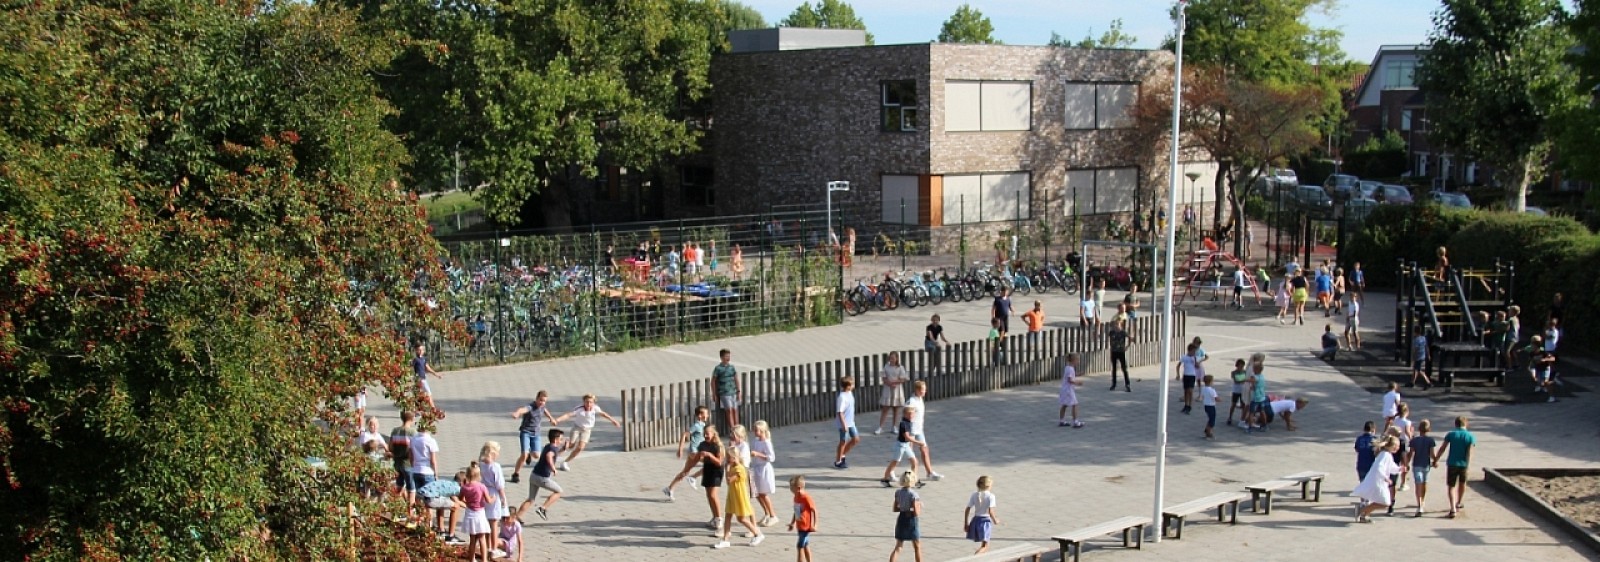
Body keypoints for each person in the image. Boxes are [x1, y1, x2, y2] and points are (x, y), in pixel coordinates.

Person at [713, 425, 764, 548]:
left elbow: (729, 480)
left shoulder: (739, 468)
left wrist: (727, 468)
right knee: (728, 515)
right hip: (732, 494)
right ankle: (725, 539)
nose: (727, 460)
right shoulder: (734, 464)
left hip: (739, 494)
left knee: (741, 518)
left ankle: (757, 533)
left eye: (729, 458)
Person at [553, 393, 621, 471]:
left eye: (590, 402)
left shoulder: (595, 408)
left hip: (587, 430)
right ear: (584, 402)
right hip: (577, 428)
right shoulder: (579, 409)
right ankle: (555, 454)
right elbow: (568, 415)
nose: (588, 404)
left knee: (580, 447)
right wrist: (557, 420)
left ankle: (565, 462)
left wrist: (613, 421)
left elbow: (604, 414)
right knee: (571, 445)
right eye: (586, 402)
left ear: (594, 402)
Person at [515, 428, 566, 523]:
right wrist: (553, 468)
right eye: (561, 439)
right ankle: (543, 508)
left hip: (534, 475)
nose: (561, 441)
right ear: (556, 439)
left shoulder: (549, 446)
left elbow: (555, 453)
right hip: (542, 478)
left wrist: (563, 449)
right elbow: (549, 456)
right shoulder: (552, 449)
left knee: (531, 499)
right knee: (559, 491)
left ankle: (517, 516)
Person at [508, 392, 558, 484]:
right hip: (526, 432)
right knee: (524, 455)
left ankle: (530, 455)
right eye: (540, 400)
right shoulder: (531, 406)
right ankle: (516, 474)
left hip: (536, 434)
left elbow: (545, 411)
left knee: (537, 455)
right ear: (536, 399)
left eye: (544, 401)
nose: (542, 402)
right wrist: (517, 413)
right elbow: (523, 409)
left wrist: (551, 418)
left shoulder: (542, 407)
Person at [664, 406, 710, 500]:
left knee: (685, 472)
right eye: (706, 413)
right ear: (700, 415)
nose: (708, 415)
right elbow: (685, 434)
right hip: (695, 452)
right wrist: (680, 449)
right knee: (711, 464)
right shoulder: (697, 425)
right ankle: (693, 477)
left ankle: (670, 489)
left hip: (694, 452)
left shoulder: (703, 425)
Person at [1354, 435, 1404, 523]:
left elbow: (1391, 467)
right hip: (1378, 481)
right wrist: (1386, 478)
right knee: (1385, 502)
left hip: (1379, 481)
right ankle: (1362, 511)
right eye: (1397, 446)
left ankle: (1363, 515)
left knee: (1384, 502)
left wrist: (1399, 469)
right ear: (1392, 445)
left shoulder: (1387, 455)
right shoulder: (1385, 455)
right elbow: (1379, 467)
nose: (1398, 448)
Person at [1434, 416, 1476, 519]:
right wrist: (1468, 464)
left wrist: (1436, 459)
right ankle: (1459, 502)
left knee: (1451, 486)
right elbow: (1470, 452)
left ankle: (1452, 509)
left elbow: (1443, 448)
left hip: (1452, 463)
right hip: (1463, 464)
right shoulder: (1470, 436)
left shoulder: (1451, 434)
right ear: (1466, 424)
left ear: (1455, 424)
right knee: (1462, 483)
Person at [902, 381, 942, 481]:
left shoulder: (920, 399)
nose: (925, 391)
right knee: (908, 453)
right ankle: (902, 473)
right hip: (911, 431)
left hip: (919, 430)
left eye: (925, 389)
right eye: (923, 390)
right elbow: (905, 415)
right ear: (917, 390)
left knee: (924, 450)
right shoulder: (911, 401)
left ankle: (929, 472)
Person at [417, 470, 466, 544]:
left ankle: (441, 531)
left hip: (420, 495)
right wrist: (470, 507)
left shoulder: (449, 484)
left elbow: (455, 499)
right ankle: (451, 537)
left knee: (443, 502)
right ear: (462, 483)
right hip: (429, 498)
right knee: (456, 507)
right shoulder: (457, 489)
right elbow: (457, 502)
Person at [693, 426, 727, 529]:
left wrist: (710, 455)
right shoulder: (702, 444)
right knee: (708, 495)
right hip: (707, 469)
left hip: (716, 471)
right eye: (705, 433)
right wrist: (698, 458)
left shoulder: (717, 446)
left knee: (713, 495)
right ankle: (714, 517)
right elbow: (699, 458)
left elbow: (719, 462)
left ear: (713, 434)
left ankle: (720, 518)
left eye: (708, 433)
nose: (706, 435)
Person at [879, 407, 923, 487]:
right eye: (909, 414)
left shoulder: (909, 422)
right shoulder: (903, 424)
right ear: (905, 414)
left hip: (906, 445)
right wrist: (918, 442)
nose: (911, 415)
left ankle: (915, 480)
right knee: (895, 462)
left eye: (912, 414)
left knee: (915, 462)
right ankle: (885, 479)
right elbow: (907, 437)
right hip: (901, 446)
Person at [459, 463, 493, 562]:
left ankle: (472, 559)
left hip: (470, 513)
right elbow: (488, 501)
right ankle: (484, 559)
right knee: (482, 537)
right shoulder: (481, 486)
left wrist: (467, 502)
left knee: (472, 539)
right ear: (478, 475)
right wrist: (493, 498)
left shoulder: (464, 487)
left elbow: (460, 498)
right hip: (480, 513)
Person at [749, 420, 780, 527]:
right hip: (756, 468)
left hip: (764, 469)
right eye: (754, 429)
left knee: (763, 493)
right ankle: (766, 513)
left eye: (756, 430)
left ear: (762, 431)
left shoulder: (766, 442)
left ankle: (773, 515)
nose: (754, 431)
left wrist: (758, 454)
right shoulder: (755, 441)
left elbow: (771, 457)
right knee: (756, 492)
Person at [477, 442, 509, 542]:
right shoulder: (495, 466)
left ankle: (487, 544)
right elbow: (499, 484)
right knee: (494, 522)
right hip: (493, 493)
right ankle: (494, 546)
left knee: (486, 520)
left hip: (483, 492)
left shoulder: (481, 465)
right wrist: (503, 498)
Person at [889, 471, 924, 562]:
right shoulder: (913, 495)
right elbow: (916, 512)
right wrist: (919, 506)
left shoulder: (898, 492)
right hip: (911, 520)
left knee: (898, 546)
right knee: (917, 545)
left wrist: (903, 508)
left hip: (901, 518)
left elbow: (895, 508)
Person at [963, 476, 1001, 555]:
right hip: (985, 522)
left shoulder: (974, 494)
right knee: (985, 546)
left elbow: (967, 509)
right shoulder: (991, 496)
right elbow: (990, 511)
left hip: (975, 521)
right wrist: (995, 520)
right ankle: (974, 558)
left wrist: (966, 523)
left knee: (983, 546)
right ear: (988, 486)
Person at [875, 352, 909, 435]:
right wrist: (889, 383)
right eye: (890, 358)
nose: (892, 359)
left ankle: (894, 427)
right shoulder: (886, 366)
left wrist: (895, 382)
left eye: (893, 358)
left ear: (897, 358)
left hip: (897, 389)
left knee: (896, 409)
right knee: (885, 409)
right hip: (888, 389)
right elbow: (883, 377)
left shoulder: (900, 367)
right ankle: (880, 427)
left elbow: (904, 379)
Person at [409, 424, 442, 507]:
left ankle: (419, 516)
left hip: (416, 470)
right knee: (429, 500)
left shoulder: (413, 439)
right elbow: (433, 460)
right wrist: (436, 474)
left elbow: (411, 457)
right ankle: (428, 518)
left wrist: (413, 467)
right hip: (428, 471)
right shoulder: (431, 441)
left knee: (418, 497)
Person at [389, 411, 418, 503]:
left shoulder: (395, 431)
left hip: (397, 463)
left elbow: (390, 447)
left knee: (399, 486)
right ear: (412, 419)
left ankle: (395, 508)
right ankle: (411, 511)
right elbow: (415, 448)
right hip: (408, 463)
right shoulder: (412, 432)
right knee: (411, 489)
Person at [788, 475, 818, 562]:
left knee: (799, 547)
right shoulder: (796, 497)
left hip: (805, 527)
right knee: (805, 545)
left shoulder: (806, 498)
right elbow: (796, 511)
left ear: (798, 488)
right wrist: (792, 523)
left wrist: (815, 524)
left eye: (791, 487)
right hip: (799, 526)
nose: (790, 489)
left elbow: (814, 510)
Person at [833, 377, 860, 469]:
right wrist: (844, 424)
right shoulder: (842, 397)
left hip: (851, 422)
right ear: (848, 386)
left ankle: (843, 454)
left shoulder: (849, 393)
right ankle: (838, 461)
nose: (853, 385)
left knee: (855, 439)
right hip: (844, 423)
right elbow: (840, 412)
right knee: (843, 441)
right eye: (852, 384)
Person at [712, 349, 740, 429]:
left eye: (729, 356)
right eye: (726, 356)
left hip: (733, 392)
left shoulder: (732, 367)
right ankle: (732, 429)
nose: (728, 358)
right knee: (729, 410)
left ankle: (737, 428)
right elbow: (713, 381)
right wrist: (714, 394)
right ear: (721, 357)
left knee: (735, 410)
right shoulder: (718, 368)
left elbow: (736, 379)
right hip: (724, 393)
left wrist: (738, 391)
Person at [413, 344, 444, 417]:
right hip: (419, 380)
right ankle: (434, 410)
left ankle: (417, 411)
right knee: (428, 394)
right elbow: (410, 367)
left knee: (419, 396)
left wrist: (436, 374)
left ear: (424, 351)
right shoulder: (415, 360)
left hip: (423, 379)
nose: (420, 351)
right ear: (416, 351)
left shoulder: (423, 359)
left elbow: (428, 368)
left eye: (422, 350)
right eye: (419, 350)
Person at [1058, 353, 1084, 428]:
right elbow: (1070, 380)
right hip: (1068, 390)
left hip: (1065, 389)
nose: (1078, 362)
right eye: (1077, 360)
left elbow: (1071, 376)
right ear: (1074, 360)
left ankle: (1061, 421)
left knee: (1064, 404)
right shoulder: (1070, 369)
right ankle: (1075, 422)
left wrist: (1078, 374)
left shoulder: (1067, 367)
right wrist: (1078, 383)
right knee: (1075, 404)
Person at [1107, 319, 1132, 392]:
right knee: (1114, 369)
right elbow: (1110, 340)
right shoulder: (1112, 332)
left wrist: (1127, 346)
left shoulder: (1123, 332)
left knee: (1124, 368)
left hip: (1121, 352)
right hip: (1114, 352)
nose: (1116, 326)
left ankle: (1127, 384)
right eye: (1115, 324)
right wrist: (1111, 347)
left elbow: (1130, 338)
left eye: (1117, 324)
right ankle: (1113, 384)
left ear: (1120, 325)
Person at [1246, 354, 1269, 433]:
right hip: (1262, 396)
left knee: (1251, 413)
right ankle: (1265, 425)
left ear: (1255, 369)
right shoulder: (1262, 376)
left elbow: (1250, 380)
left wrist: (1243, 379)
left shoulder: (1254, 377)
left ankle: (1250, 427)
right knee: (1262, 411)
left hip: (1255, 398)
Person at [1177, 343, 1200, 414]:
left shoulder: (1194, 358)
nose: (1194, 353)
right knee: (1186, 391)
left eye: (1195, 351)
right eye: (1193, 351)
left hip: (1192, 375)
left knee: (1190, 390)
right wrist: (1178, 374)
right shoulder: (1184, 357)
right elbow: (1178, 365)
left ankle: (1190, 405)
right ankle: (1186, 405)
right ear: (1189, 350)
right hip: (1186, 375)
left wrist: (1195, 361)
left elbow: (1197, 366)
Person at [1226, 359, 1249, 427]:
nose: (1241, 367)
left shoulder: (1245, 372)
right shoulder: (1233, 372)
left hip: (1243, 391)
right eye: (1240, 366)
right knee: (1233, 404)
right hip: (1236, 390)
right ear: (1237, 365)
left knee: (1243, 405)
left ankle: (1242, 418)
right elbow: (1236, 381)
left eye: (1242, 366)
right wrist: (1244, 380)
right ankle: (1230, 417)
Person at [1200, 375, 1219, 439]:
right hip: (1211, 406)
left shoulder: (1203, 388)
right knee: (1212, 420)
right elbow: (1216, 398)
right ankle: (1209, 432)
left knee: (1210, 418)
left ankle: (1207, 429)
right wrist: (1220, 400)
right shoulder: (1212, 390)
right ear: (1210, 382)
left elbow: (1202, 396)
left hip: (1206, 406)